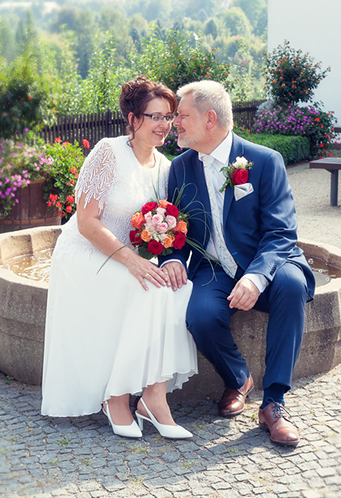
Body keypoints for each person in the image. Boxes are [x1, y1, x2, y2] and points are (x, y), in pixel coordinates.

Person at [159, 80, 315, 447]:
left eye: (181, 115)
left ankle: (274, 403)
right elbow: (174, 229)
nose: (174, 123)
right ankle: (239, 378)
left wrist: (258, 276)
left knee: (291, 285)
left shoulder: (264, 160)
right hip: (214, 268)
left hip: (270, 263)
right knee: (198, 314)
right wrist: (172, 259)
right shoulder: (179, 168)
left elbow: (281, 231)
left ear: (209, 119)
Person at [41, 76, 197, 439]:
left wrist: (169, 258)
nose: (164, 125)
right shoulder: (107, 153)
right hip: (85, 254)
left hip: (127, 255)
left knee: (174, 289)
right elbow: (85, 222)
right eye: (155, 116)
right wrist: (133, 261)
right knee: (148, 287)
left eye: (169, 117)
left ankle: (154, 399)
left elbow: (166, 226)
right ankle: (117, 396)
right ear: (132, 118)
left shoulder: (166, 167)